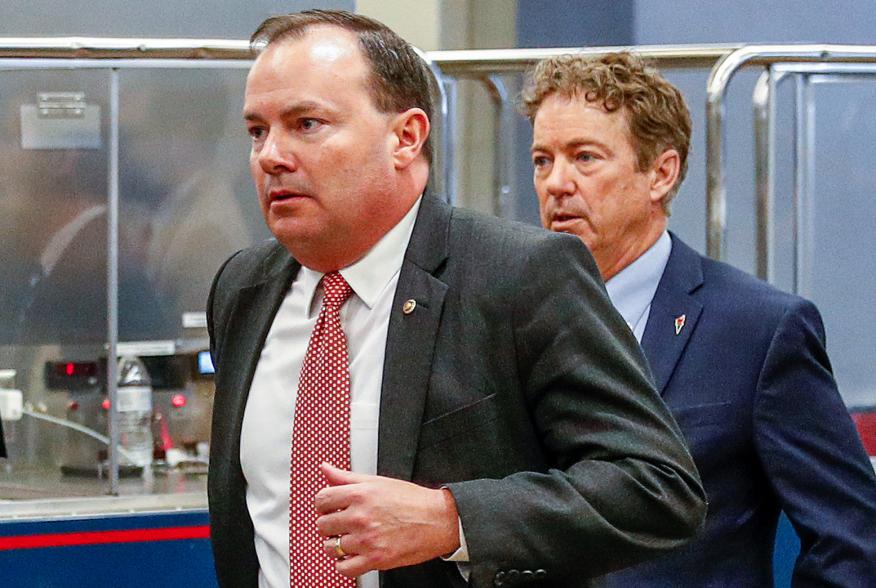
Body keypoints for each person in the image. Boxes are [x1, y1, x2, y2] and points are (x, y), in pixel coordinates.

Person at [207, 11, 705, 588]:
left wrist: (452, 519)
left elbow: (657, 487)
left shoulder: (519, 276)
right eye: (256, 131)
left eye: (307, 123)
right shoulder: (244, 289)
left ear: (405, 137)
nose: (271, 155)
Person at [524, 51, 876, 586]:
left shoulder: (757, 330)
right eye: (542, 160)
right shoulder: (509, 312)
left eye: (585, 157)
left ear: (661, 174)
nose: (556, 184)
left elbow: (851, 539)